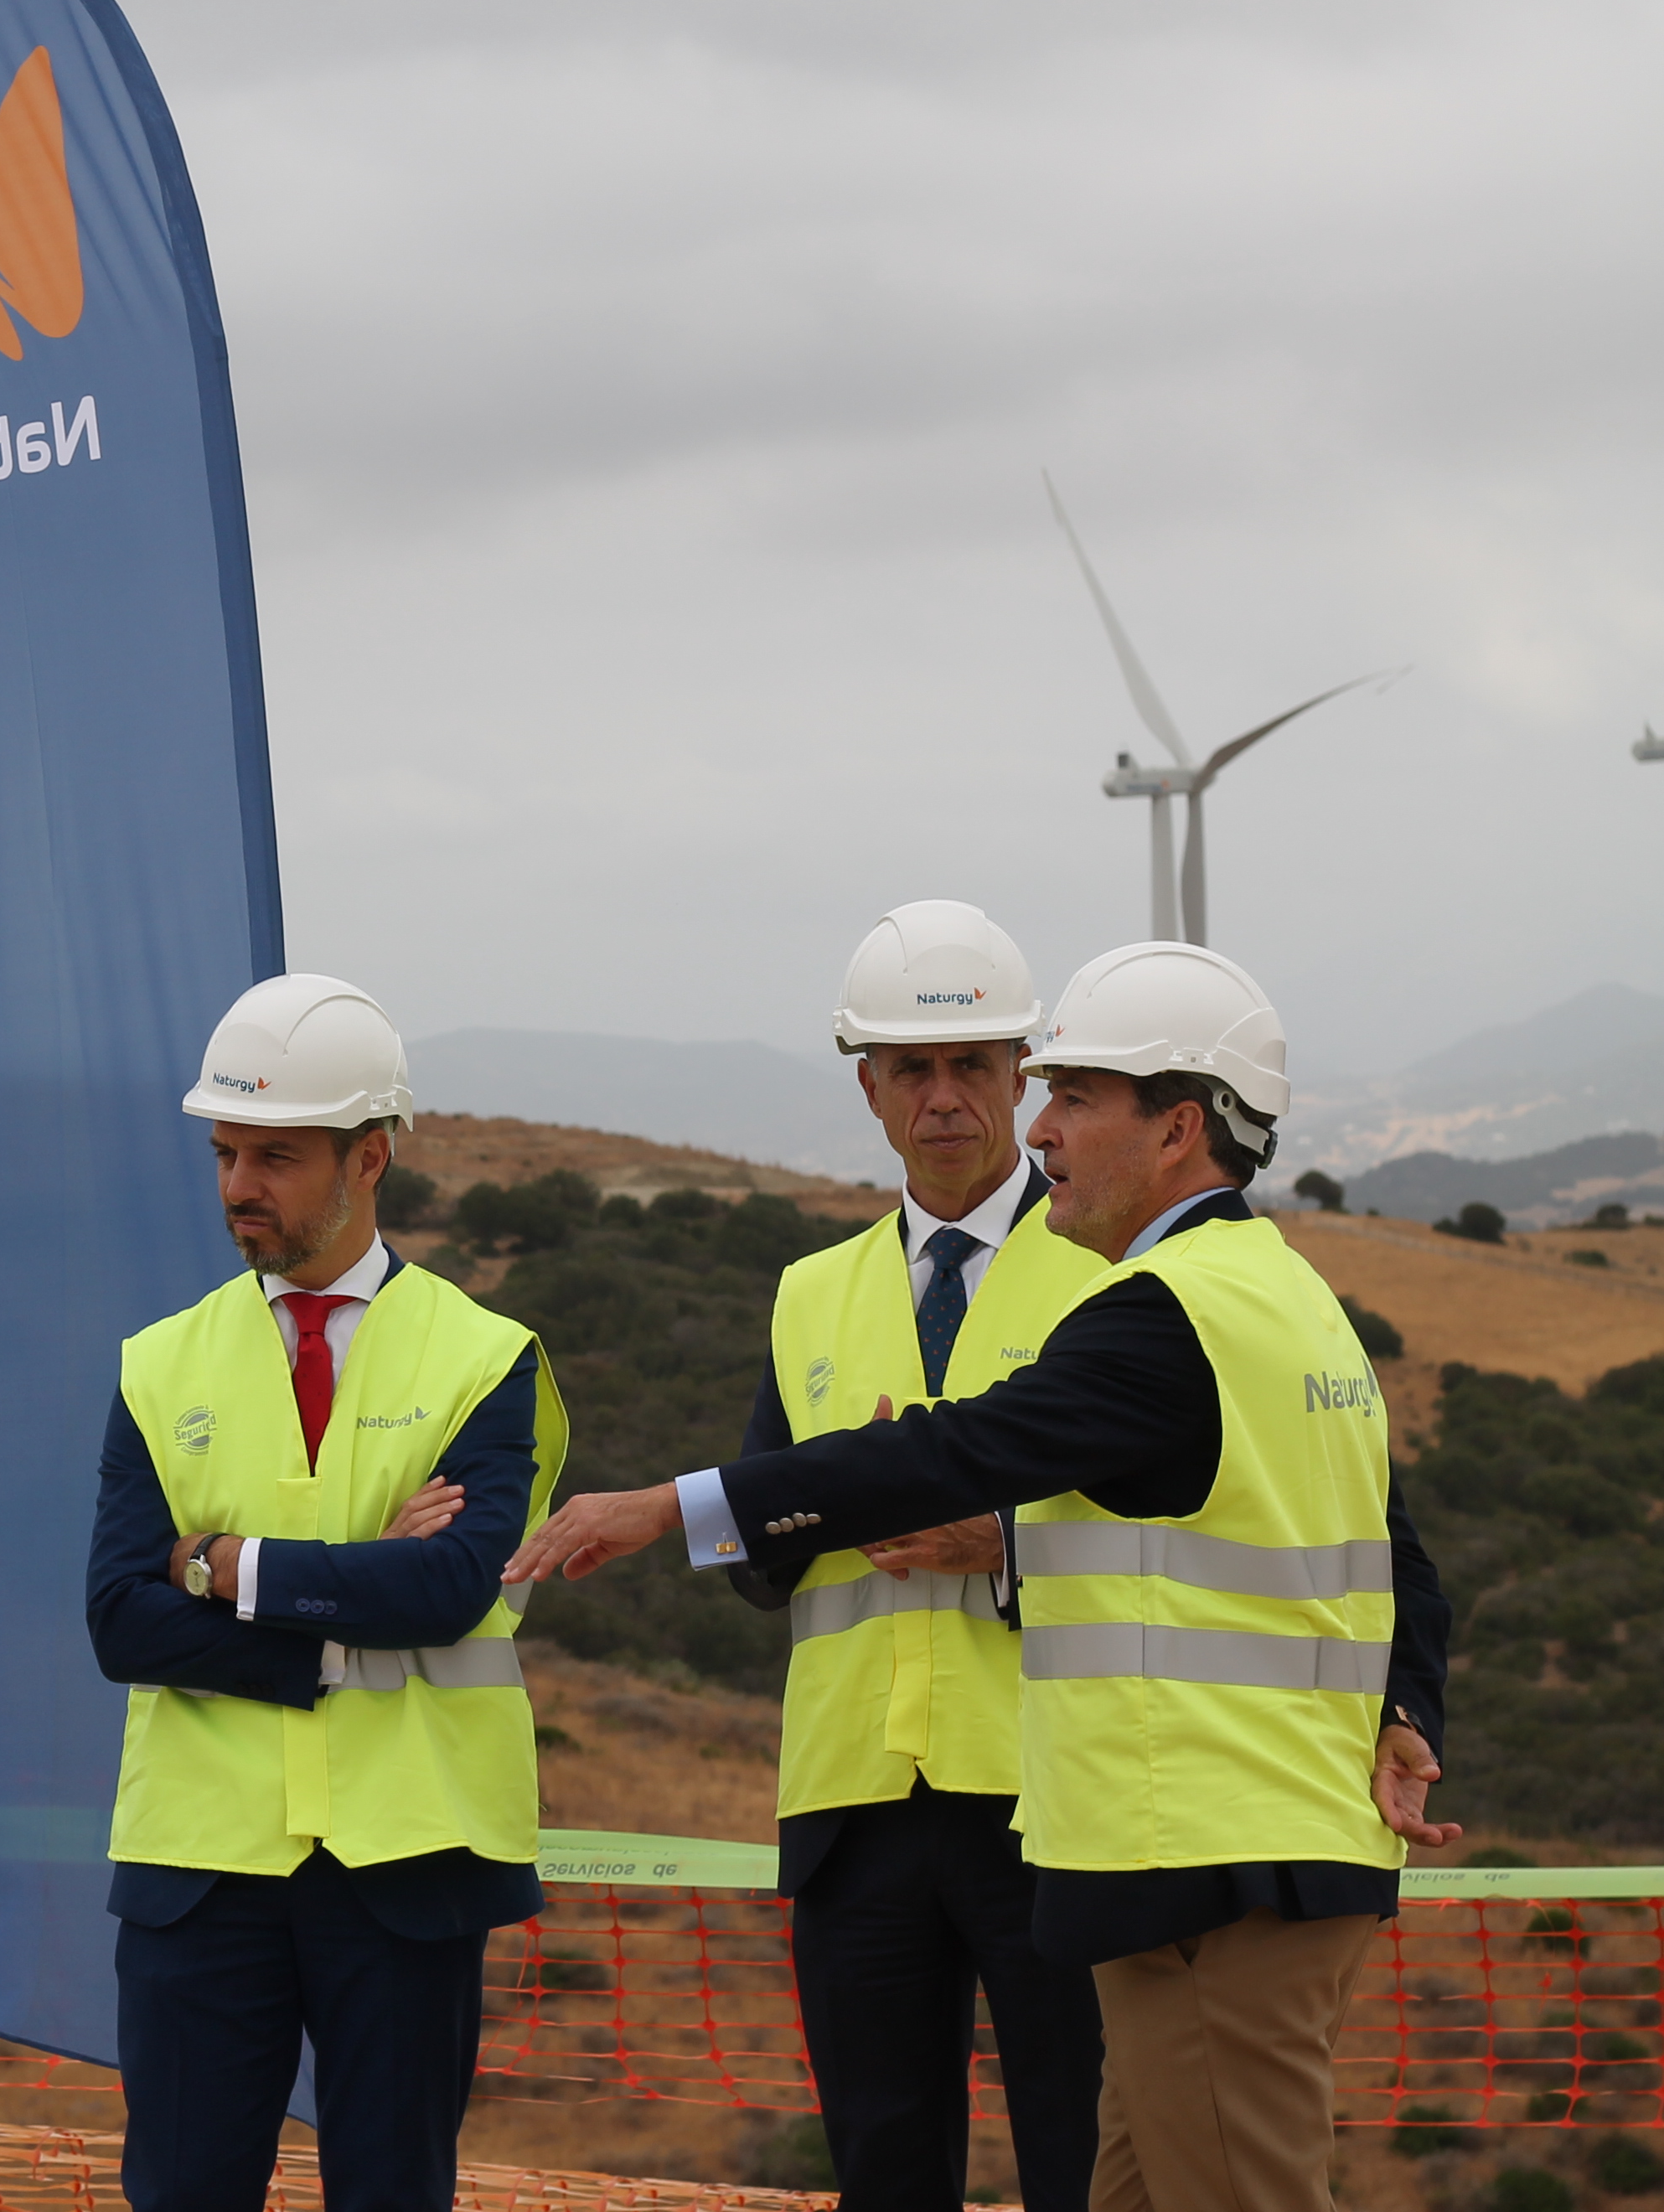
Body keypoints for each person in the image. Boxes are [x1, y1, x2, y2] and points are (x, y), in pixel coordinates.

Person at [508, 943, 1457, 2212]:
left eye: (1071, 1097)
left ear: (1178, 1129)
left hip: (1209, 1859)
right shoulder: (1286, 1296)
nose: (1040, 1125)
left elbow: (951, 1452)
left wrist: (666, 1508)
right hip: (1169, 1847)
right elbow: (1363, 1553)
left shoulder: (1160, 1308)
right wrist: (1405, 1716)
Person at [85, 975, 566, 2212]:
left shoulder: (486, 1358)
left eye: (277, 1157)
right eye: (226, 1153)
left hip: (410, 1866)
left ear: (370, 1156)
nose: (240, 1185)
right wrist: (347, 1622)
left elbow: (451, 1586)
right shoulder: (158, 1364)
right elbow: (120, 1619)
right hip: (200, 1872)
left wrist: (220, 1566)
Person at [728, 902, 1106, 2208]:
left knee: (1084, 2159)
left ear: (1022, 1075)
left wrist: (1003, 1545)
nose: (944, 1097)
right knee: (884, 2169)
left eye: (971, 1067)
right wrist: (838, 1503)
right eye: (912, 1070)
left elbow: (1182, 1529)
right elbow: (750, 1552)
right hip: (856, 1810)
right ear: (871, 1089)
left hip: (1055, 1800)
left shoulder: (1111, 1276)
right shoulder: (807, 1294)